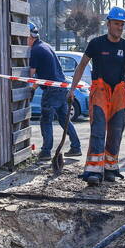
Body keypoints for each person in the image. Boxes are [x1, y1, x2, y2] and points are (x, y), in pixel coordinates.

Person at [67, 7, 125, 186]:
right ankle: (93, 170)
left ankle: (109, 169)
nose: (120, 28)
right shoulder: (96, 44)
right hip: (99, 92)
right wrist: (72, 89)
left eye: (122, 24)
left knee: (116, 133)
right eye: (116, 24)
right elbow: (82, 65)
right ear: (108, 24)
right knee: (98, 131)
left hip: (119, 94)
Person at [28, 22, 81, 160]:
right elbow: (44, 74)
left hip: (52, 90)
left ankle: (46, 152)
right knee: (64, 119)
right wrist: (34, 89)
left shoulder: (35, 50)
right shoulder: (46, 46)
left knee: (46, 119)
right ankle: (76, 147)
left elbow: (32, 74)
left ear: (30, 37)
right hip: (62, 86)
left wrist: (29, 89)